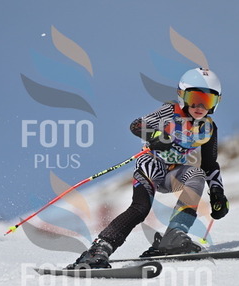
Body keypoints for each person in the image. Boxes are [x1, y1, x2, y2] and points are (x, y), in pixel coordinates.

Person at [67, 67, 229, 269]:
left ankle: (174, 237)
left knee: (196, 173)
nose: (200, 106)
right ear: (182, 96)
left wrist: (217, 193)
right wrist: (156, 136)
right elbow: (137, 125)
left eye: (208, 101)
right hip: (151, 166)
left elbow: (210, 164)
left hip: (174, 173)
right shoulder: (169, 112)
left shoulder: (208, 128)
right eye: (194, 98)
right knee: (141, 208)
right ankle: (98, 250)